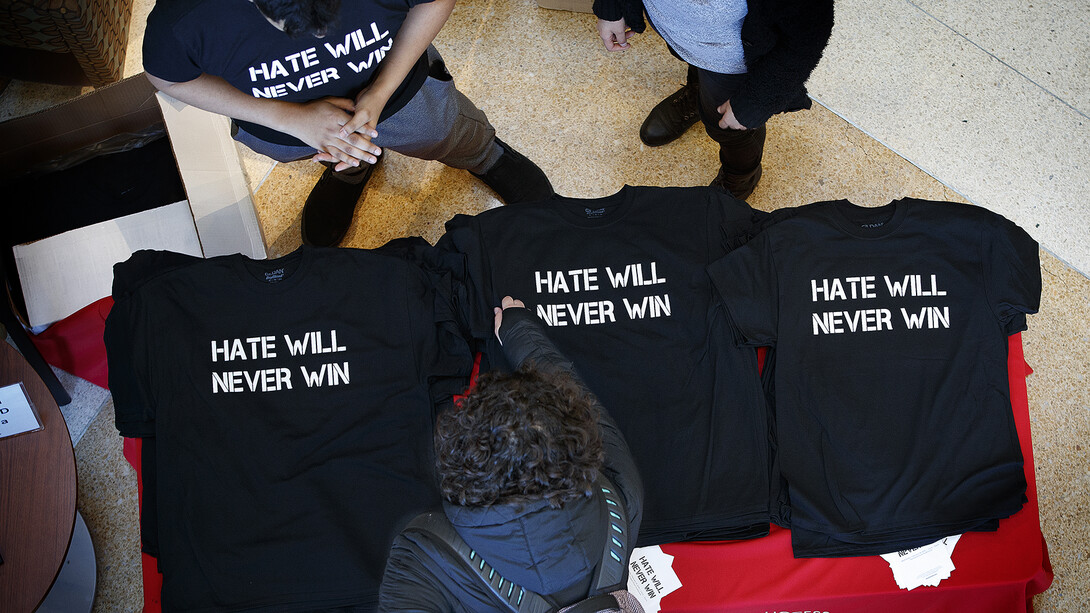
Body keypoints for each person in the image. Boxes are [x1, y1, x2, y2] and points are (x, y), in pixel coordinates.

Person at [143, 0, 553, 247]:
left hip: (400, 89)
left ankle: (483, 154)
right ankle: (352, 172)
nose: (322, 36)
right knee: (327, 152)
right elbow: (166, 75)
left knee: (440, 127)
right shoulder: (186, 16)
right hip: (286, 123)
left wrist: (380, 90)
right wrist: (290, 118)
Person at [378, 297, 644, 612]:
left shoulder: (420, 561)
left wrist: (519, 329)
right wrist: (520, 332)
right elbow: (583, 407)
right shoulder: (618, 494)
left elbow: (582, 405)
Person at [593, 0, 834, 200]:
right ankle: (697, 94)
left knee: (730, 127)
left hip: (733, 59)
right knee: (695, 65)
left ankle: (740, 176)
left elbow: (808, 33)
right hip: (679, 29)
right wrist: (611, 5)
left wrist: (757, 100)